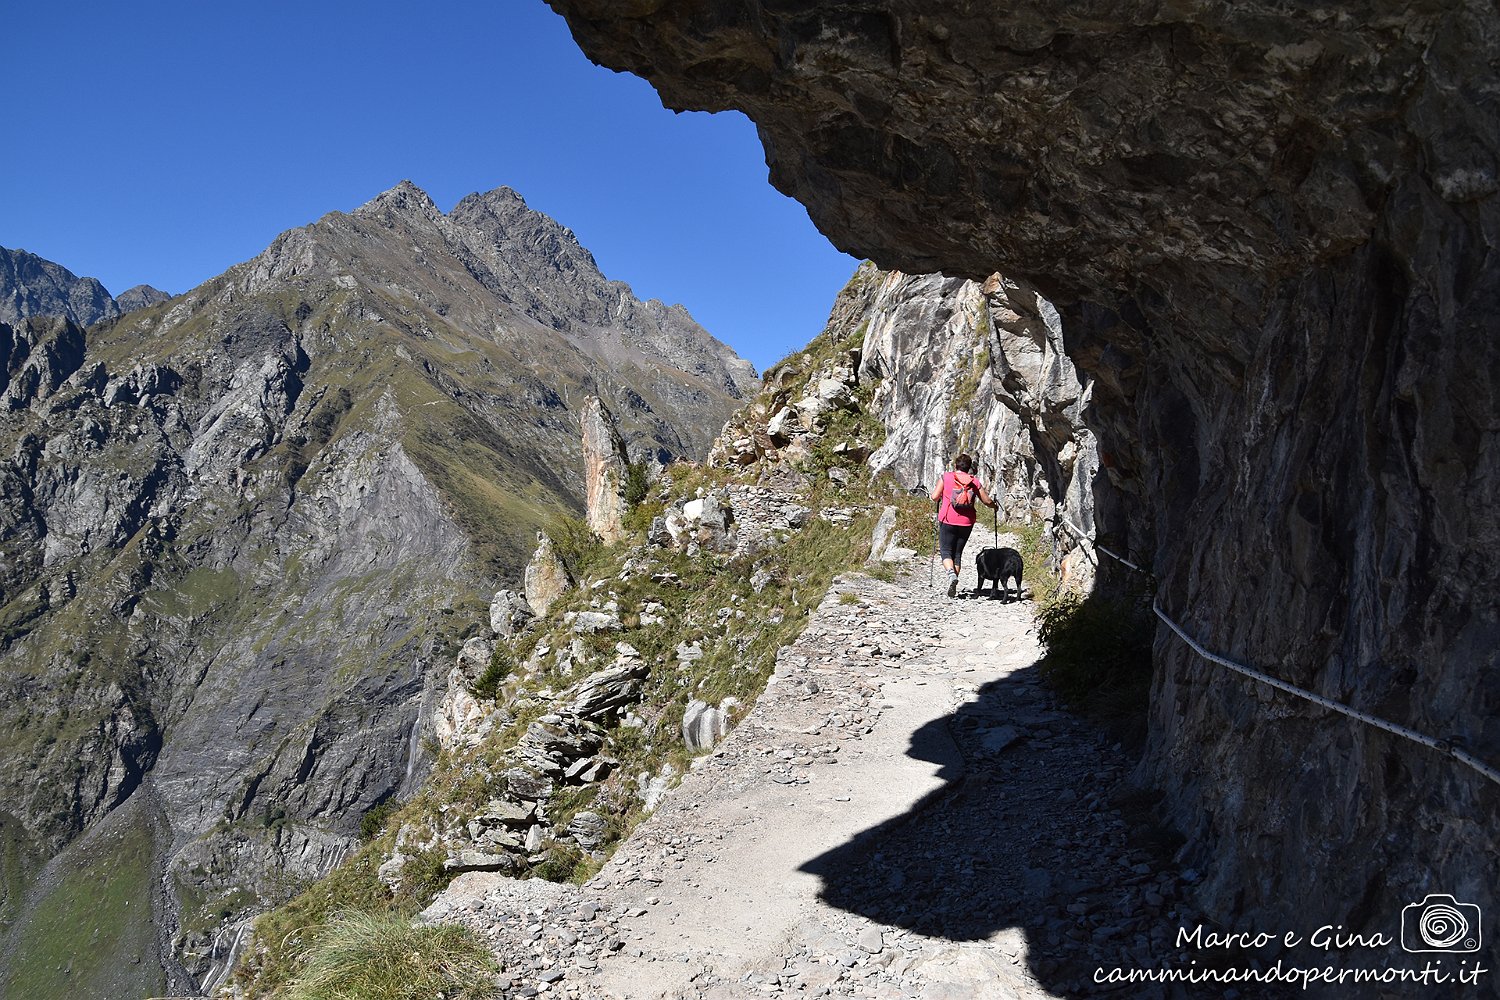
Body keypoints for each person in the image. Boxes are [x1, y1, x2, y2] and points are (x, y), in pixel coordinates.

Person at [930, 454, 999, 597]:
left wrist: (943, 495)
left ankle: (951, 575)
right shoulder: (974, 482)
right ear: (969, 468)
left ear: (956, 466)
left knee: (945, 551)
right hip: (966, 522)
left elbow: (935, 497)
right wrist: (995, 506)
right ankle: (953, 579)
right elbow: (986, 501)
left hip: (947, 518)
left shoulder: (946, 477)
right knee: (957, 553)